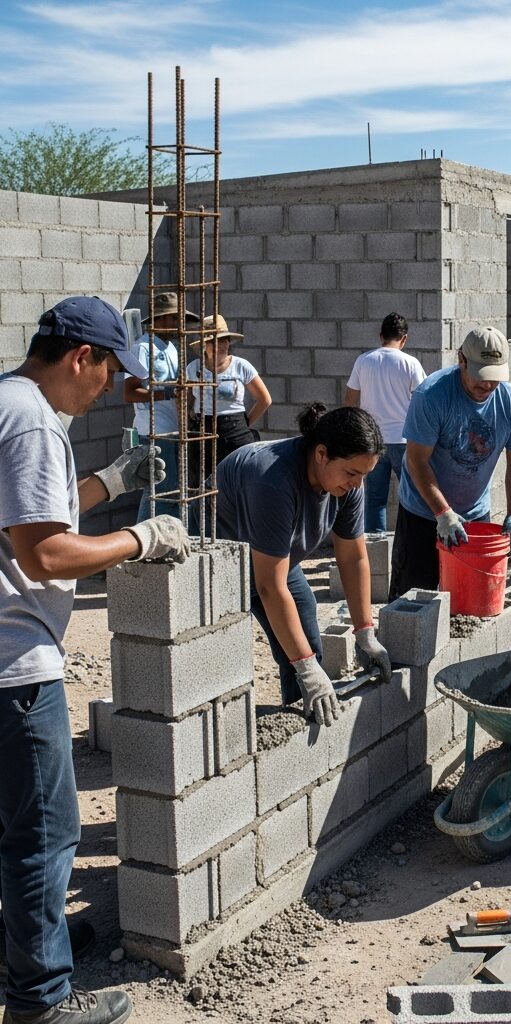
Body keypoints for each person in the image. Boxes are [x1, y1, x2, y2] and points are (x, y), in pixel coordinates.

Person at [1, 296, 189, 1024]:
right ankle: (41, 1000)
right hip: (16, 663)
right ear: (80, 356)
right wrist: (140, 540)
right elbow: (47, 553)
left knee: (13, 823)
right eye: (109, 370)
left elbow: (31, 514)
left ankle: (27, 942)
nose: (111, 386)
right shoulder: (33, 423)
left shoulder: (8, 399)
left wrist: (111, 484)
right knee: (45, 833)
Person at [195, 404, 392, 726]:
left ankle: (297, 725)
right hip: (217, 566)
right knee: (219, 659)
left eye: (364, 475)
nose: (357, 484)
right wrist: (307, 668)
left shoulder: (347, 484)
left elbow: (353, 557)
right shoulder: (272, 480)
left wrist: (365, 632)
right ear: (321, 453)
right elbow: (269, 587)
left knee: (306, 639)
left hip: (274, 560)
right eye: (352, 473)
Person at [389, 327, 511, 600]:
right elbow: (417, 461)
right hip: (423, 515)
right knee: (414, 605)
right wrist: (442, 513)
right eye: (481, 378)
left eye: (494, 379)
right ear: (461, 360)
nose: (487, 386)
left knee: (469, 603)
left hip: (475, 516)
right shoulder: (432, 395)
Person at [343, 312, 426, 532]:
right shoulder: (411, 364)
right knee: (413, 497)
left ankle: (375, 550)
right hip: (404, 440)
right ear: (404, 338)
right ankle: (409, 543)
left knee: (375, 499)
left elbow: (350, 402)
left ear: (381, 336)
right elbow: (424, 402)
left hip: (373, 443)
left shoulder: (364, 361)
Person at [122, 291, 199, 522]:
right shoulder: (143, 348)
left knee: (172, 488)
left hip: (173, 428)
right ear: (159, 319)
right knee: (158, 488)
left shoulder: (171, 348)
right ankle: (142, 538)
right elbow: (130, 392)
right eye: (174, 319)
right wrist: (164, 392)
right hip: (153, 430)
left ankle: (165, 540)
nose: (179, 325)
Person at [185, 314, 272, 486]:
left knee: (237, 485)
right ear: (204, 345)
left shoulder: (240, 366)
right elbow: (184, 400)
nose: (222, 345)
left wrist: (244, 424)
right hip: (203, 433)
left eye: (224, 340)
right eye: (215, 341)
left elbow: (264, 399)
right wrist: (189, 417)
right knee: (203, 487)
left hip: (235, 432)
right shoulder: (193, 368)